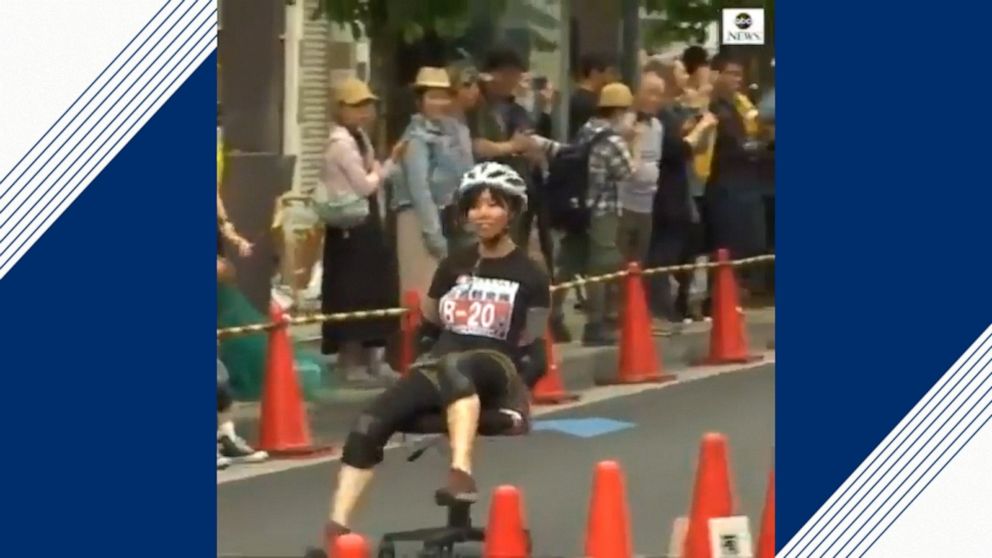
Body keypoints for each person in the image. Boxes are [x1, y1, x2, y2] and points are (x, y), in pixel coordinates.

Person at [324, 162, 551, 546]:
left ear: (512, 211)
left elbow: (536, 345)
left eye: (494, 205)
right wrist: (416, 363)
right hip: (442, 364)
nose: (483, 214)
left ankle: (460, 475)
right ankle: (337, 531)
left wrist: (520, 393)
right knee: (370, 422)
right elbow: (429, 324)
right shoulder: (454, 264)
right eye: (475, 206)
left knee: (458, 366)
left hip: (496, 364)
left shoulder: (530, 273)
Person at [319, 77, 405, 383]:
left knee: (376, 288)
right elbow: (364, 184)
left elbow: (372, 179)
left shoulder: (360, 139)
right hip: (349, 227)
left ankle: (375, 359)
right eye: (356, 106)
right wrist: (388, 164)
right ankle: (350, 362)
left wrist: (384, 166)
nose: (364, 112)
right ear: (340, 108)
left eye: (367, 105)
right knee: (351, 292)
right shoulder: (341, 144)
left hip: (367, 222)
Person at [392, 67, 473, 299]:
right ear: (420, 101)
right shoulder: (415, 137)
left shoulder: (455, 132)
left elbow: (468, 173)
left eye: (444, 96)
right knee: (423, 288)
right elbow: (420, 189)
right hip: (418, 217)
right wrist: (433, 234)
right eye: (433, 97)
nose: (440, 103)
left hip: (451, 215)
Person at [568, 52, 619, 140]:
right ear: (594, 73)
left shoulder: (576, 97)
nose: (607, 79)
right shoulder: (591, 102)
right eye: (605, 73)